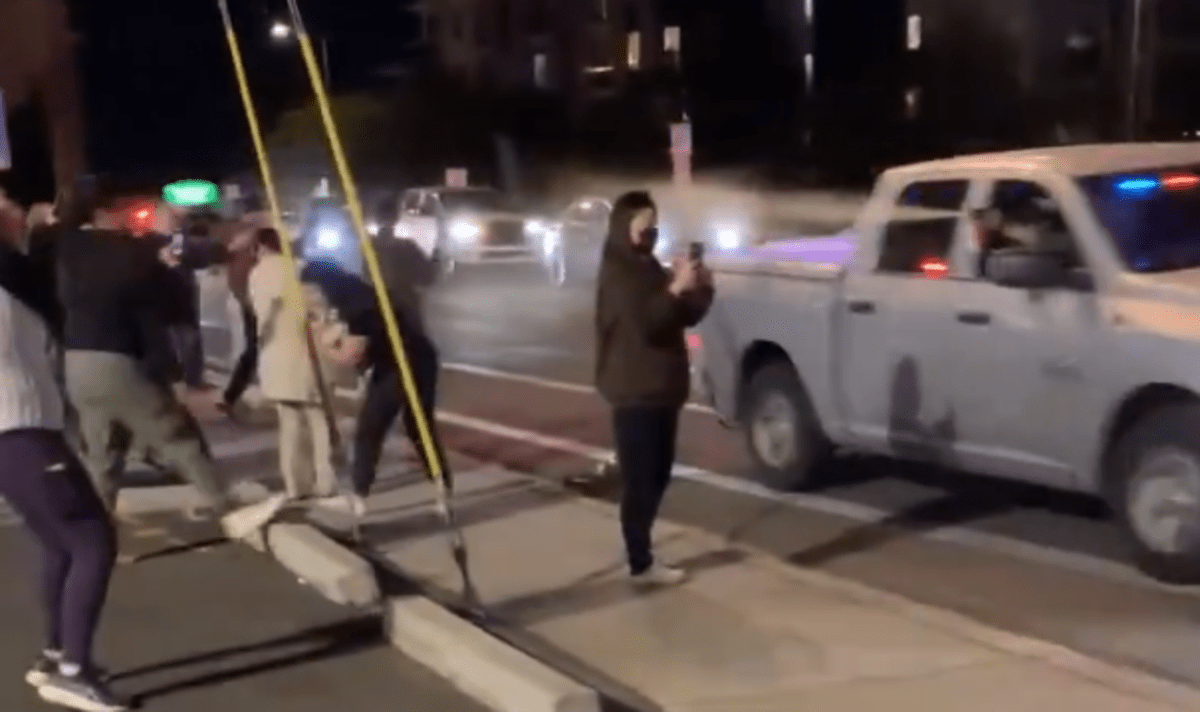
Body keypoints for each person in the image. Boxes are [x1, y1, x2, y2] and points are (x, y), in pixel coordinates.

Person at [56, 182, 286, 537]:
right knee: (178, 435)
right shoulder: (129, 251)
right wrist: (222, 249)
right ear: (101, 212)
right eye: (121, 208)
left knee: (104, 450)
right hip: (117, 359)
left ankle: (96, 531)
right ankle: (229, 508)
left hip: (76, 361)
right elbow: (163, 299)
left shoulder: (68, 246)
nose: (127, 216)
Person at [0, 192, 125, 711]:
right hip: (20, 426)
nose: (19, 209)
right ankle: (73, 671)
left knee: (58, 543)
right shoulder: (8, 271)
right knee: (93, 540)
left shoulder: (16, 277)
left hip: (18, 431)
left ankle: (56, 655)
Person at [594, 191, 713, 586]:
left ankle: (642, 556)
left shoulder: (647, 268)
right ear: (624, 227)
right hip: (635, 389)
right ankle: (640, 562)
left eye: (654, 226)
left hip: (661, 388)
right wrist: (674, 288)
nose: (650, 233)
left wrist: (697, 287)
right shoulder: (618, 273)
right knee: (641, 478)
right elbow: (645, 322)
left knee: (658, 475)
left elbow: (678, 317)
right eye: (643, 226)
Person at [304, 236, 445, 515]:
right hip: (417, 356)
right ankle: (442, 490)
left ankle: (358, 496)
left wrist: (321, 339)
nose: (308, 295)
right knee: (419, 427)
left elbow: (351, 355)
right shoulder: (357, 292)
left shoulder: (356, 305)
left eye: (309, 289)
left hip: (404, 361)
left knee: (371, 428)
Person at [249, 227, 338, 500]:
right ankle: (326, 483)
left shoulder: (260, 273)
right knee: (319, 421)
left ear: (261, 248)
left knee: (289, 424)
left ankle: (296, 486)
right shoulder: (303, 268)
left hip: (280, 357)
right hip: (314, 357)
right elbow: (326, 313)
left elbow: (262, 320)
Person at [220, 208, 270, 414]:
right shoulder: (250, 240)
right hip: (256, 303)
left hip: (253, 302)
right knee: (255, 350)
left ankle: (232, 395)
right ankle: (232, 395)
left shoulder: (243, 240)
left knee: (254, 350)